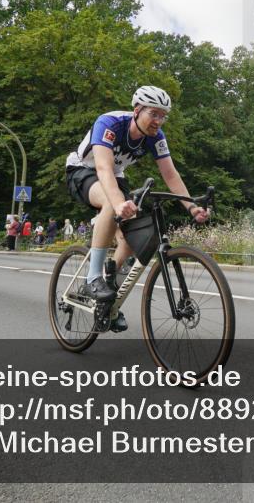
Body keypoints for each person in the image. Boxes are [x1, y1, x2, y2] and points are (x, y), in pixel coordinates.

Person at [65, 86, 209, 332]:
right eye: (154, 114)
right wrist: (119, 203)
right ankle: (92, 279)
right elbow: (103, 169)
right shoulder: (109, 123)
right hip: (84, 170)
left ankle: (108, 299)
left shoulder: (156, 137)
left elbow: (170, 175)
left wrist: (191, 207)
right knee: (112, 205)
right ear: (137, 110)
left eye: (163, 116)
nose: (159, 121)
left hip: (116, 177)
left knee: (134, 236)